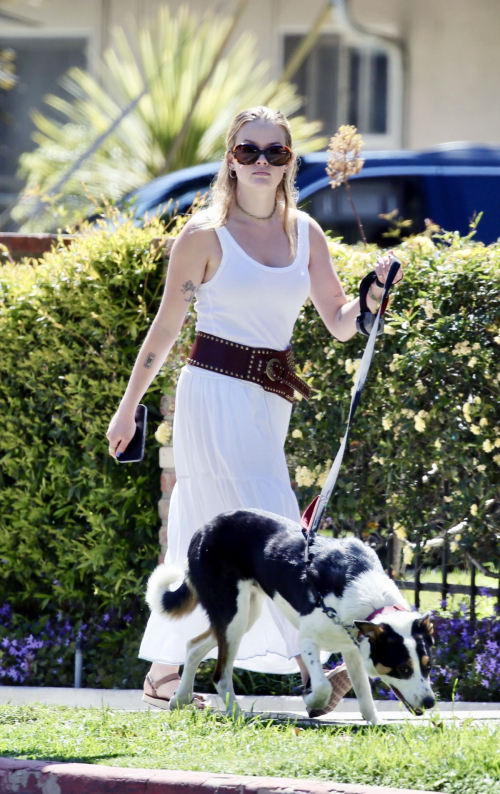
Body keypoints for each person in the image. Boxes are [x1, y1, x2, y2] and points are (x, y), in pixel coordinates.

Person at [106, 105, 402, 713]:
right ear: (231, 161)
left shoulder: (308, 234)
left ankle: (168, 670)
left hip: (270, 401)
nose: (262, 162)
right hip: (212, 392)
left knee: (231, 523)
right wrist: (129, 405)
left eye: (276, 152)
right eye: (249, 151)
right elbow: (164, 330)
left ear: (290, 162)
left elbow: (341, 324)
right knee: (267, 520)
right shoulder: (204, 237)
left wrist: (371, 295)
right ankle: (312, 666)